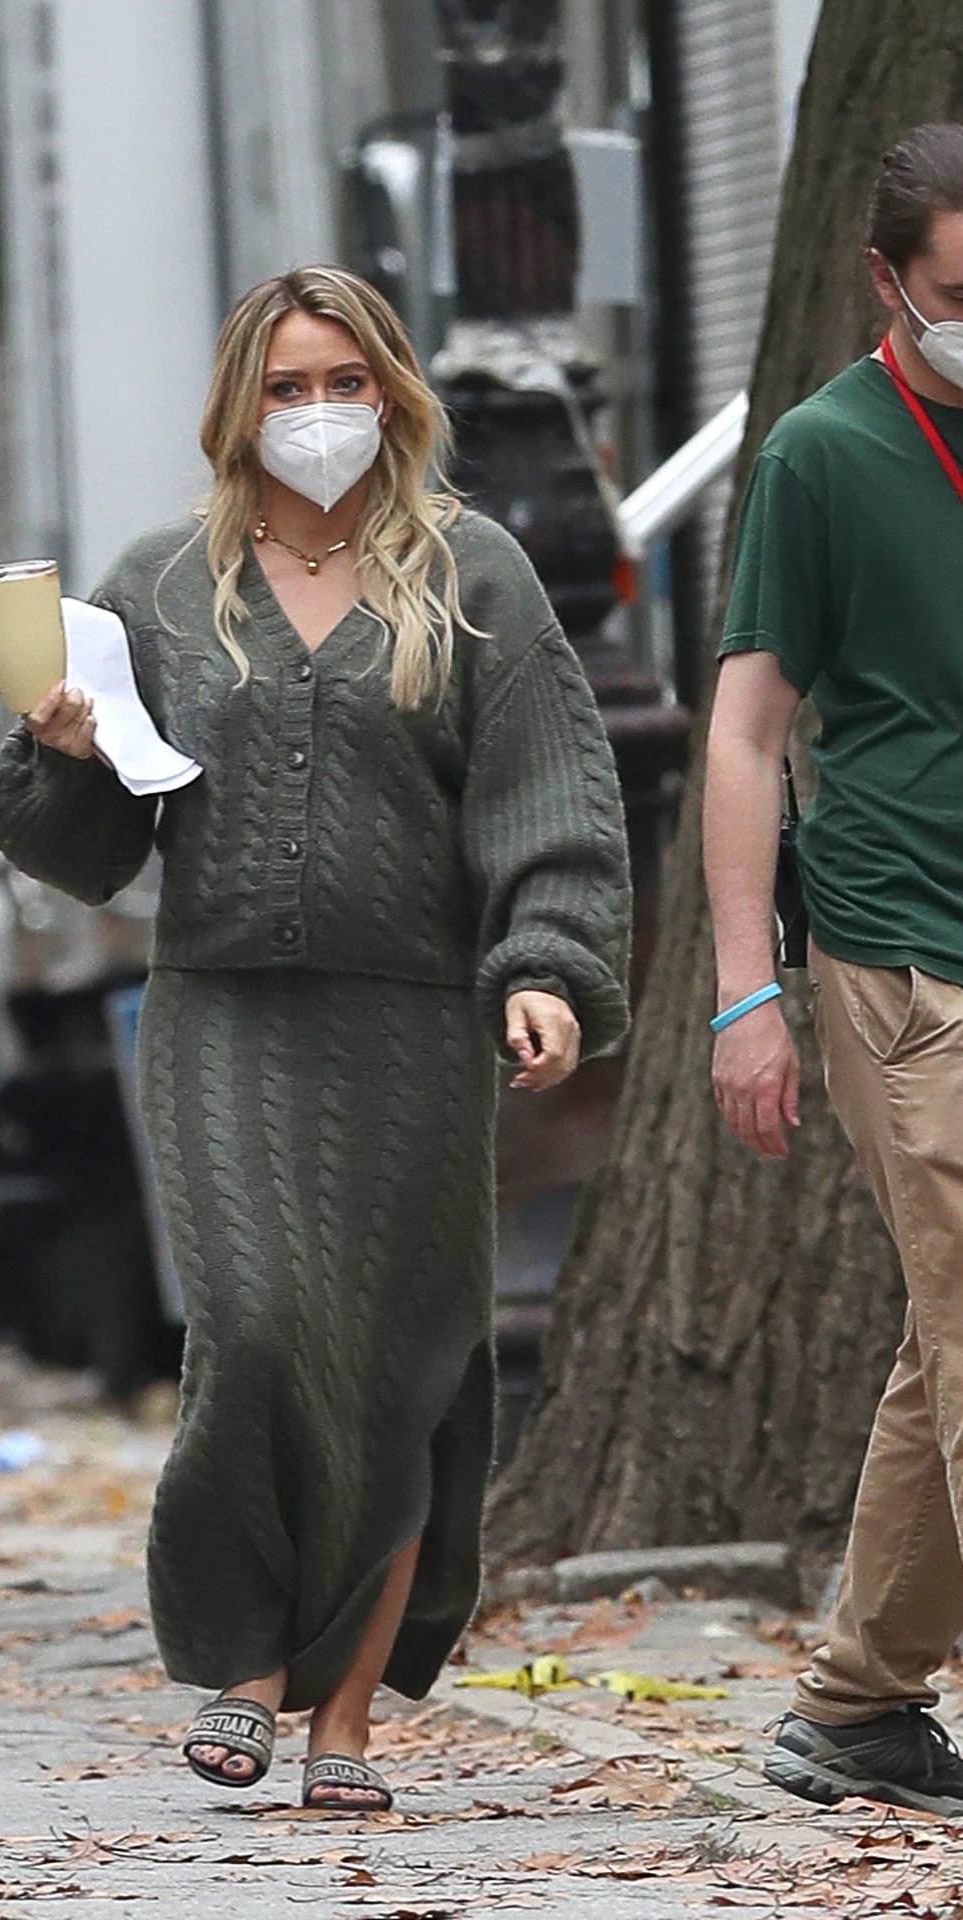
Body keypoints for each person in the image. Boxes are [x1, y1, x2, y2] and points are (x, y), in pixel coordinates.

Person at [0, 265, 632, 1811]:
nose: (319, 412)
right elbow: (84, 851)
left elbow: (547, 797)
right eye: (286, 387)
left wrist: (545, 967)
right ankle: (243, 1664)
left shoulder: (473, 575)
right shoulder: (157, 584)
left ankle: (343, 1725)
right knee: (258, 1329)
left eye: (345, 382)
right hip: (221, 1017)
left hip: (413, 1025)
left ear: (392, 396)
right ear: (238, 406)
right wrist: (60, 751)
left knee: (401, 1362)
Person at [704, 123, 963, 1815]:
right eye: (961, 292)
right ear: (886, 279)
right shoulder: (821, 454)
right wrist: (747, 991)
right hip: (902, 949)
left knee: (948, 1335)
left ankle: (857, 1706)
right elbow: (743, 734)